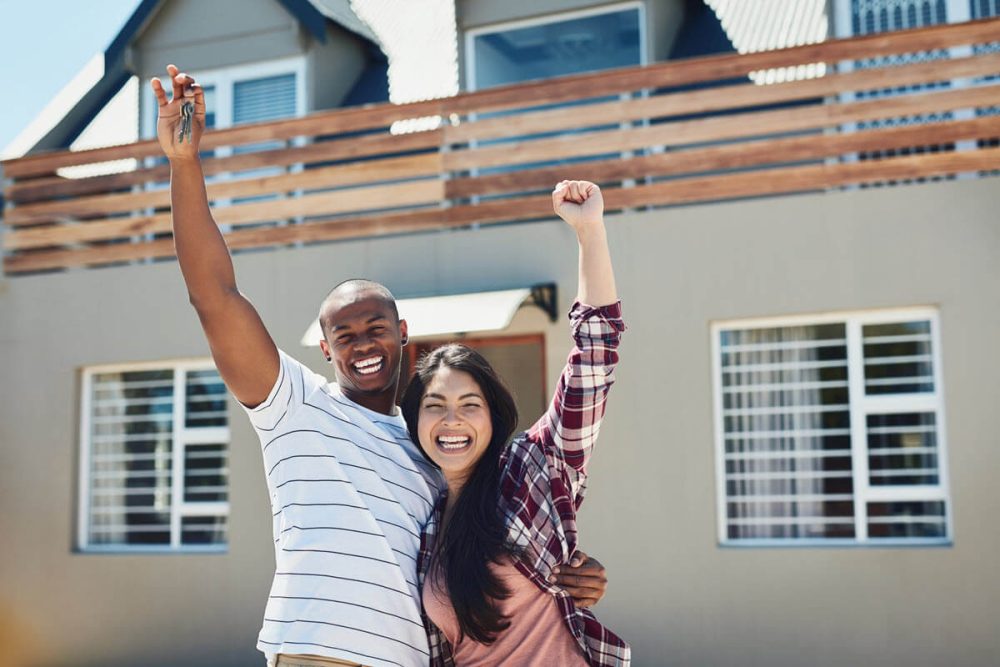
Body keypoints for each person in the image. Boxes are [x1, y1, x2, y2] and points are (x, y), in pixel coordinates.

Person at [151, 66, 611, 667]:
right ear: (323, 346)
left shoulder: (435, 453)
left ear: (402, 335)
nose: (362, 343)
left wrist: (572, 569)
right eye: (344, 333)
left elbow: (491, 546)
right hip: (317, 654)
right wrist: (184, 164)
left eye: (375, 328)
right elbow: (215, 295)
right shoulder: (294, 406)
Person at [400, 180, 630, 666]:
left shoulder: (534, 469)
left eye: (469, 404)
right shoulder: (423, 516)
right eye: (435, 405)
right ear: (415, 419)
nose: (452, 420)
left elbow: (594, 357)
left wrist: (590, 233)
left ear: (494, 414)